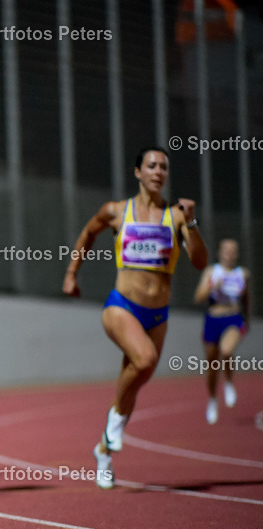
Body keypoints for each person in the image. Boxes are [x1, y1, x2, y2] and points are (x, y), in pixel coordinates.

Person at [63, 146, 207, 489]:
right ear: (137, 172)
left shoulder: (175, 216)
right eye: (152, 165)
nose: (158, 171)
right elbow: (87, 234)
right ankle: (113, 425)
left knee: (135, 378)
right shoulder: (116, 211)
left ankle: (103, 452)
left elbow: (200, 262)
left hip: (158, 314)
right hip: (121, 306)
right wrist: (71, 273)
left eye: (164, 167)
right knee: (144, 361)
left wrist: (192, 222)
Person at [194, 238, 251, 424]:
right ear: (220, 252)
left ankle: (228, 382)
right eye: (226, 250)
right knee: (212, 366)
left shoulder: (243, 274)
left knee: (226, 351)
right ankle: (212, 399)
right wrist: (211, 286)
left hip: (233, 318)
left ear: (237, 253)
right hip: (213, 319)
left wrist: (247, 319)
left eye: (233, 251)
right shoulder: (212, 272)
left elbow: (246, 299)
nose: (229, 254)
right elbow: (198, 297)